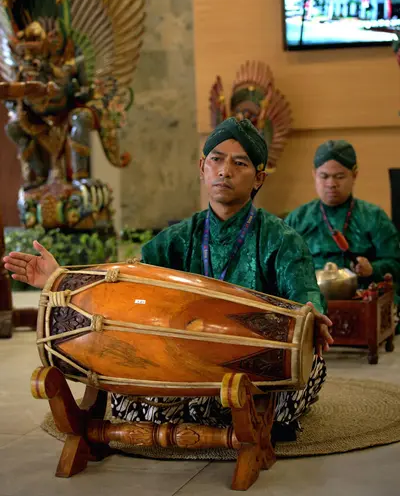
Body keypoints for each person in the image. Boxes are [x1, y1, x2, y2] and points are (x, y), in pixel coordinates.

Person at [4, 118, 332, 438]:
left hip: (253, 367)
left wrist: (312, 313)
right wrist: (59, 279)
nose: (225, 170)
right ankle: (221, 416)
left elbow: (303, 290)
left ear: (259, 177)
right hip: (183, 363)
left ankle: (230, 413)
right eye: (216, 159)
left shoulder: (282, 238)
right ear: (202, 166)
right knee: (130, 389)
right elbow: (123, 286)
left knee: (303, 370)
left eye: (240, 163)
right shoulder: (177, 237)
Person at [285, 140, 400, 312]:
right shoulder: (297, 219)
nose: (331, 184)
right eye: (324, 176)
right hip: (310, 304)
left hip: (361, 301)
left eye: (339, 176)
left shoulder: (374, 217)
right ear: (314, 174)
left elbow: (396, 263)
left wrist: (373, 269)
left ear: (354, 175)